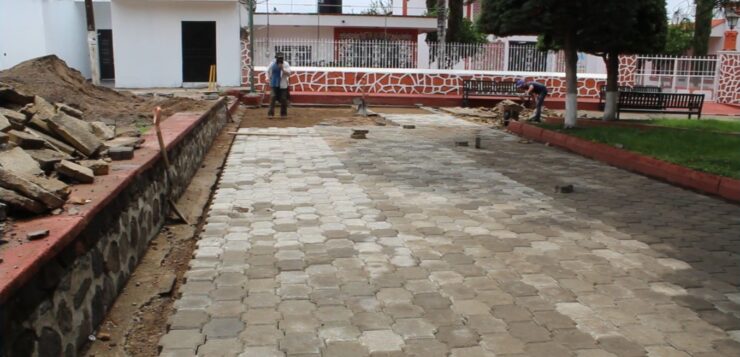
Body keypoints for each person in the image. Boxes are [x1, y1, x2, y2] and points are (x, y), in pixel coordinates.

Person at [267, 53, 292, 118]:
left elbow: (289, 73)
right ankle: (270, 114)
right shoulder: (272, 64)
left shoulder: (286, 64)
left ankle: (283, 114)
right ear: (276, 58)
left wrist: (282, 69)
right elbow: (267, 71)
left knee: (283, 99)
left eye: (281, 58)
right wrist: (267, 78)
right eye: (278, 58)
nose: (280, 59)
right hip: (274, 83)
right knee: (272, 97)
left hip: (283, 84)